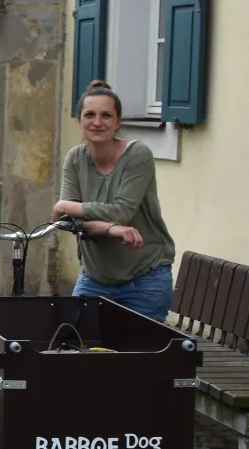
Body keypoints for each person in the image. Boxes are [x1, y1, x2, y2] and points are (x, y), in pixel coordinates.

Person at [52, 79, 177, 322]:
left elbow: (121, 211)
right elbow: (69, 223)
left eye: (106, 115)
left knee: (139, 357)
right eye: (90, 115)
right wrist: (112, 228)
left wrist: (66, 206)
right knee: (73, 346)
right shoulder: (75, 159)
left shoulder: (138, 155)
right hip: (94, 278)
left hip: (144, 279)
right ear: (80, 121)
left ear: (118, 121)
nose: (97, 122)